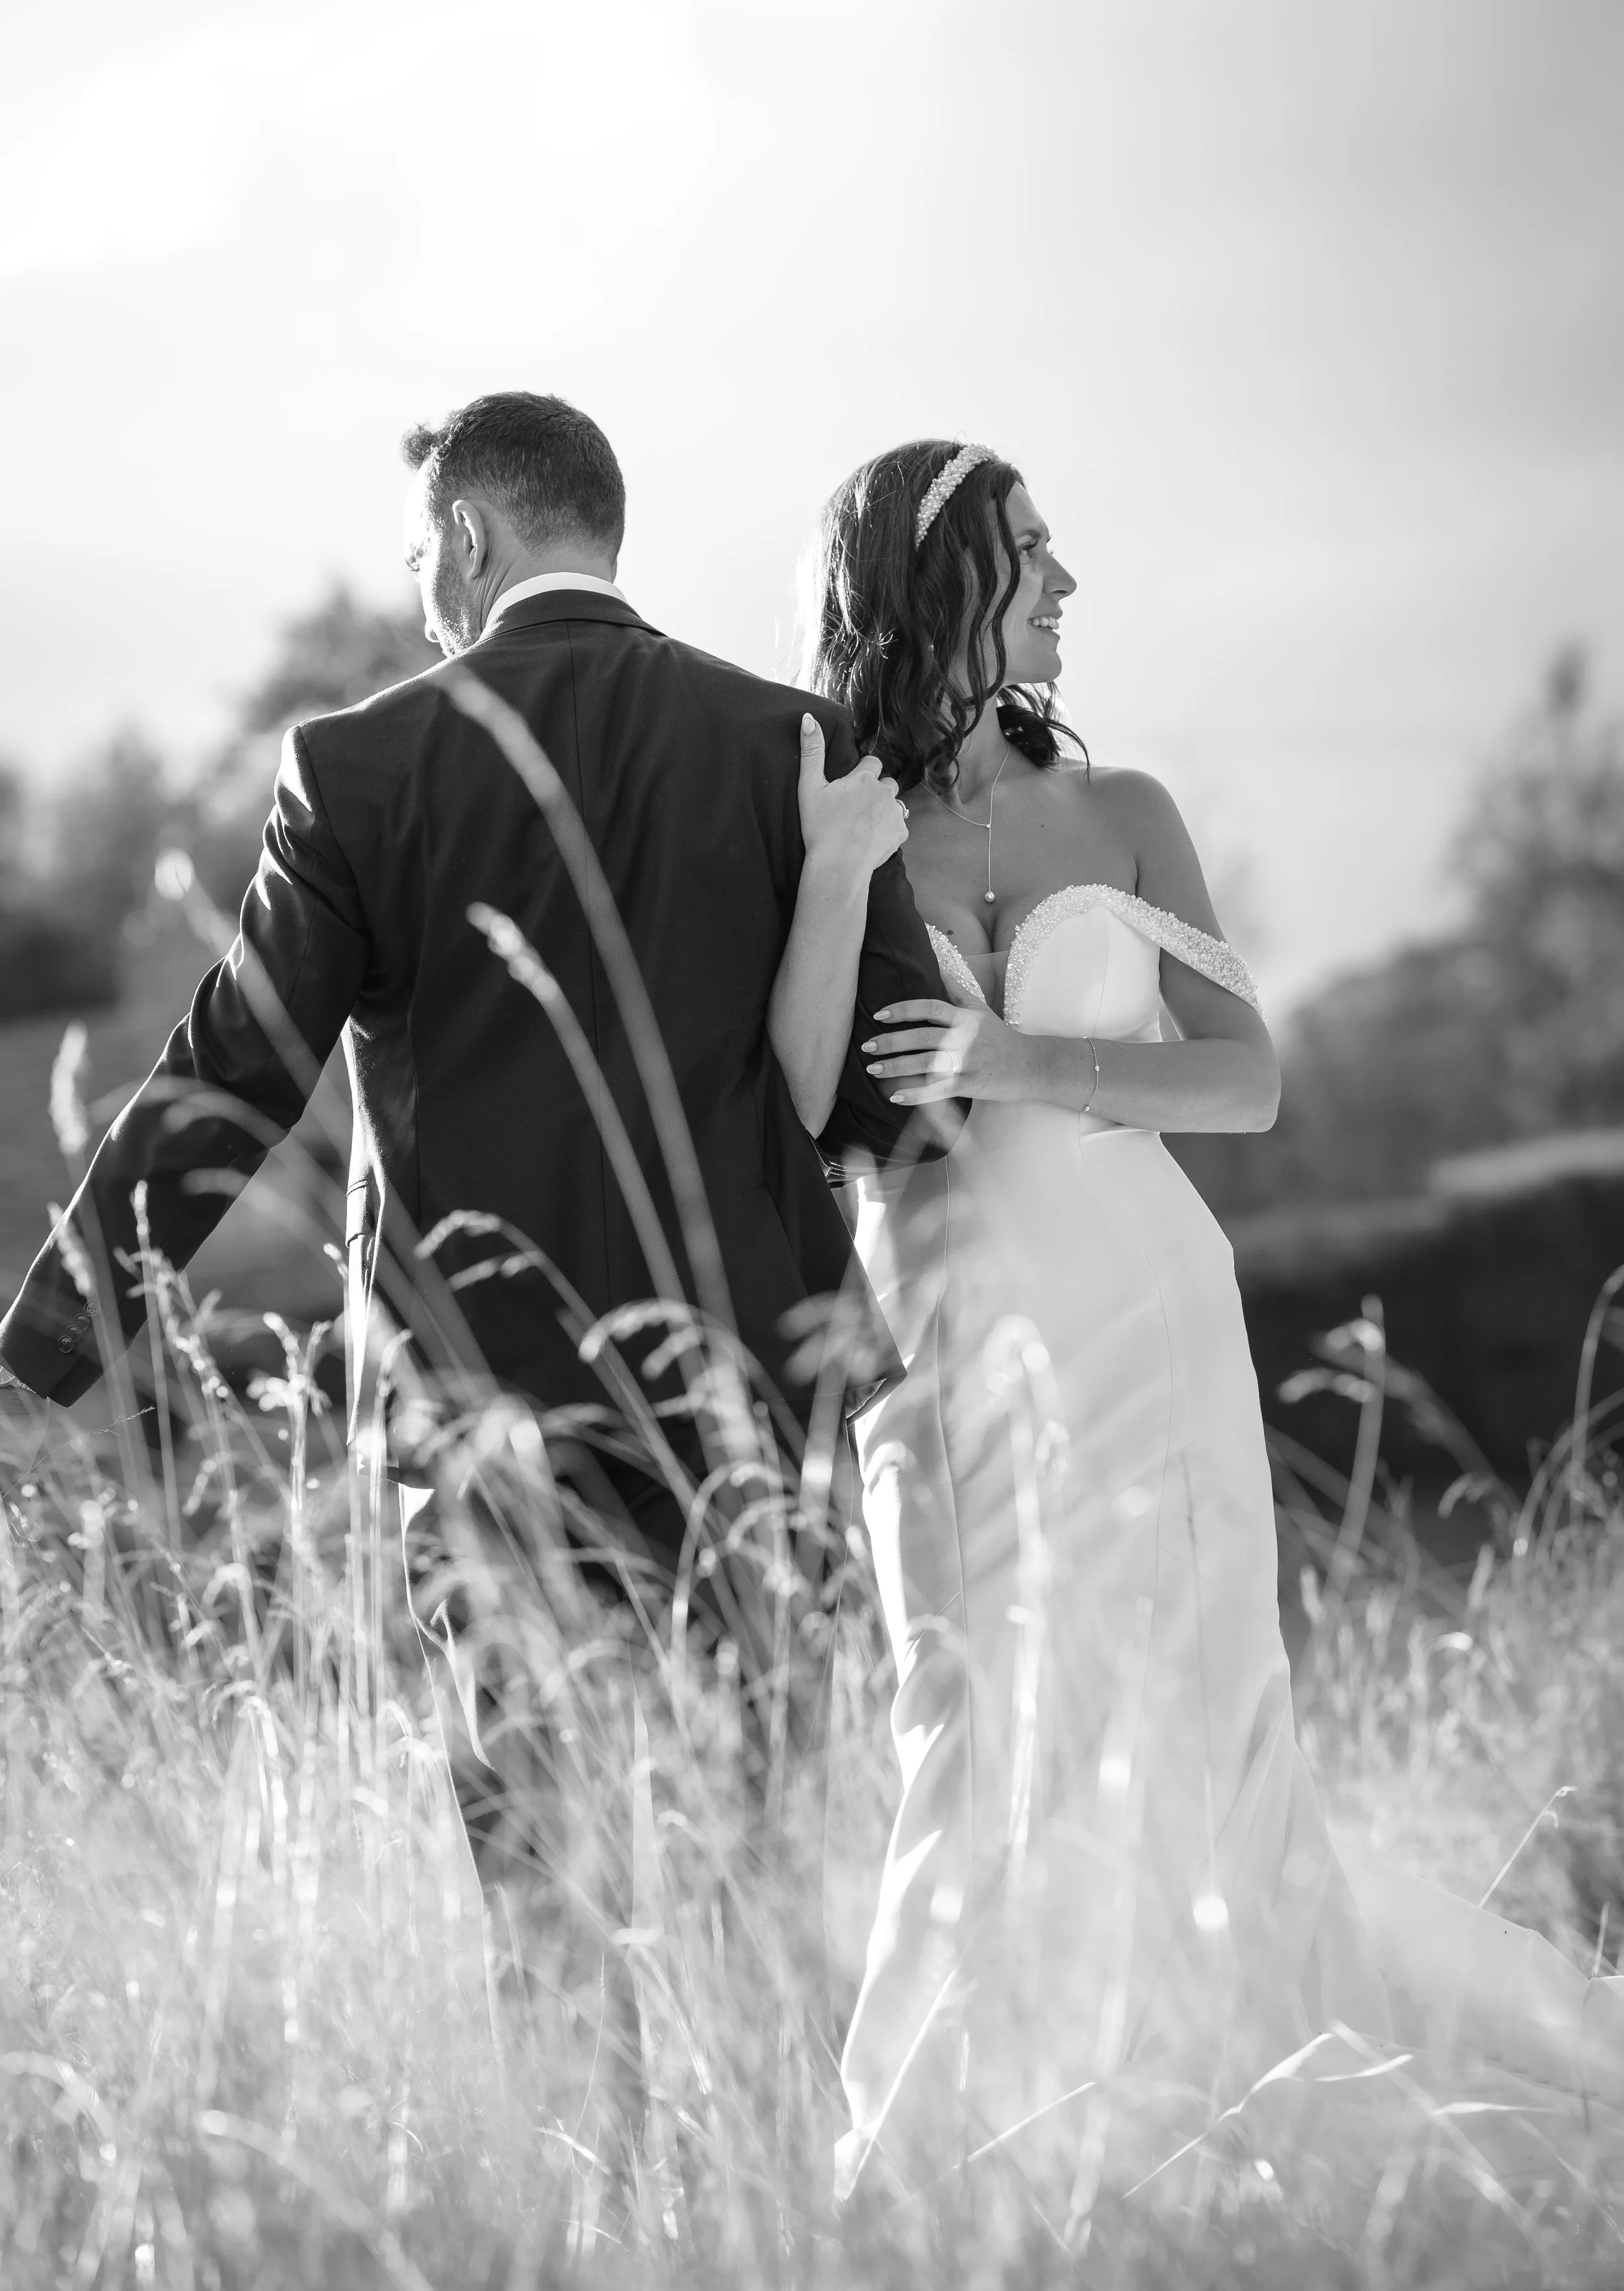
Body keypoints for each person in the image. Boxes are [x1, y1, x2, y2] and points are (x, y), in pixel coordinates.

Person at [788, 437, 1624, 2194]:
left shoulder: (1129, 812)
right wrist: (818, 880)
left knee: (1190, 1745)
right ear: (935, 584)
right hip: (934, 1344)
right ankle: (928, 2161)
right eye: (1032, 554)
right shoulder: (817, 812)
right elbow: (796, 1098)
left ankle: (1176, 2126)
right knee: (968, 1715)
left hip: (1146, 1314)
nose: (1072, 585)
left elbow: (1241, 1079)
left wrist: (1018, 1057)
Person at [0, 392, 946, 1578]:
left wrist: (46, 1344)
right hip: (755, 1377)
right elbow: (902, 1104)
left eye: (414, 558)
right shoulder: (795, 742)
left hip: (473, 1390)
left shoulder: (354, 769)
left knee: (524, 1763)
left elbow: (236, 1070)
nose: (421, 598)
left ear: (466, 536)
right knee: (762, 1760)